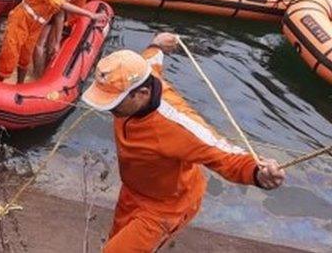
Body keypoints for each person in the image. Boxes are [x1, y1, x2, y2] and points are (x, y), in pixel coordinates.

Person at [81, 34, 286, 252]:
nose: (111, 110)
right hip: (133, 191)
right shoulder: (140, 78)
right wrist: (157, 45)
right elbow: (151, 60)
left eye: (114, 104)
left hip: (165, 207)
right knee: (116, 237)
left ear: (142, 94)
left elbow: (224, 154)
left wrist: (259, 173)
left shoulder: (177, 124)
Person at [0, 0, 107, 84]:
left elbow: (60, 15)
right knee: (10, 52)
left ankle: (20, 85)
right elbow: (63, 5)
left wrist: (57, 41)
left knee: (26, 56)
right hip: (21, 19)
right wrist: (90, 14)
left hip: (36, 25)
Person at [22, 0, 100, 72]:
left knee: (41, 44)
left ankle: (39, 74)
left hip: (50, 10)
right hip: (58, 10)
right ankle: (44, 74)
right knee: (52, 43)